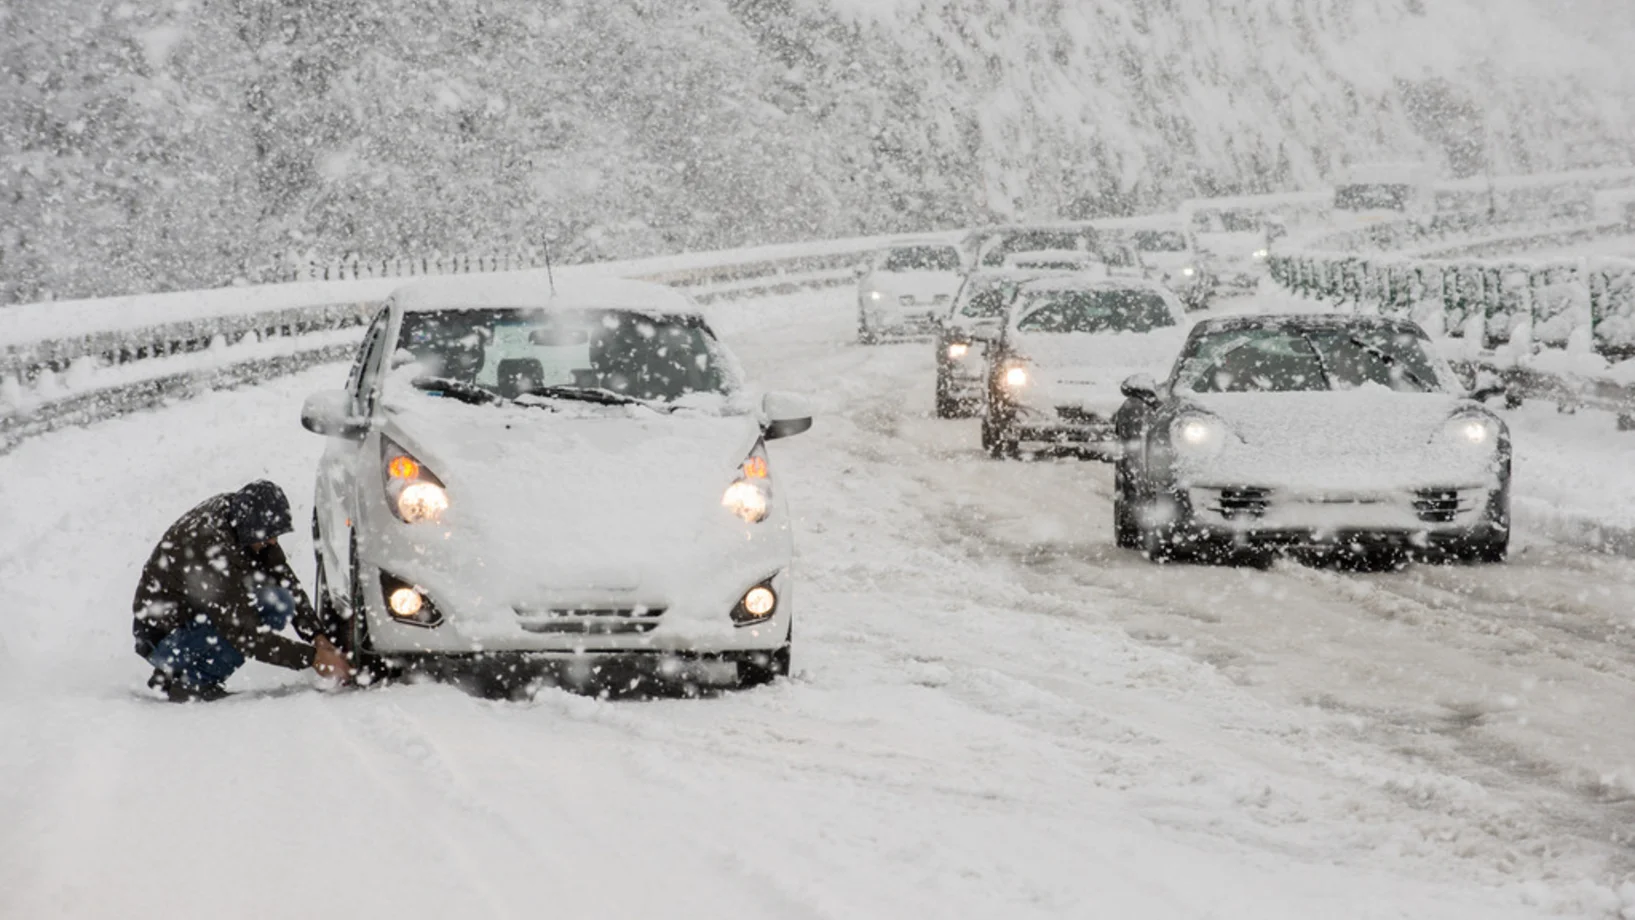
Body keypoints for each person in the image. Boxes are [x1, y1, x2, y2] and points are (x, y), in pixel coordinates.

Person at [132, 480, 352, 701]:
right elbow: (245, 635)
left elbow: (283, 578)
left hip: (191, 621)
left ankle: (174, 675)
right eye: (268, 535)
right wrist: (312, 658)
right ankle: (194, 682)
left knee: (278, 600)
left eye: (275, 534)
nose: (273, 541)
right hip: (163, 639)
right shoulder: (210, 547)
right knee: (257, 614)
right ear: (250, 528)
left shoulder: (245, 519)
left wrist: (317, 635)